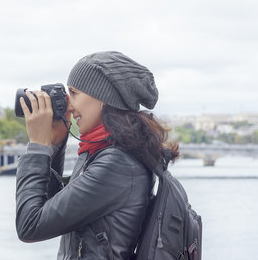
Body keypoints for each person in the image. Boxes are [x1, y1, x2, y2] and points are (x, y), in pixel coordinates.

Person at [16, 51, 179, 260]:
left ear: (102, 97)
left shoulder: (117, 164)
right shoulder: (100, 151)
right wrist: (55, 143)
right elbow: (54, 208)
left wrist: (38, 145)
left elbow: (30, 225)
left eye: (74, 93)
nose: (68, 104)